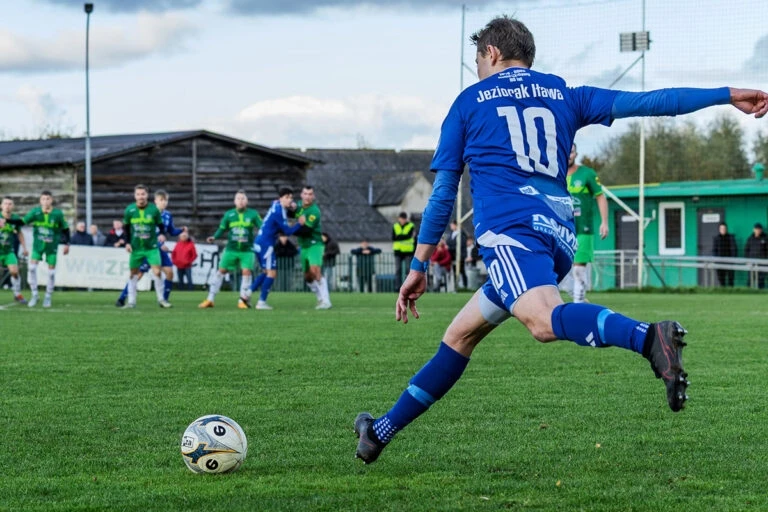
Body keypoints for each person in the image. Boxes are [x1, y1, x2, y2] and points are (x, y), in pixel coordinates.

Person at [353, 15, 768, 464]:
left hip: (511, 236)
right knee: (459, 337)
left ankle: (650, 338)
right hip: (557, 236)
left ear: (491, 52)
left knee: (542, 322)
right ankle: (378, 432)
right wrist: (728, 94)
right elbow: (655, 101)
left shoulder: (468, 103)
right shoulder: (565, 94)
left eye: (478, 61)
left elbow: (441, 198)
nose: (478, 69)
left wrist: (418, 267)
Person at [199, 190, 262, 309]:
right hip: (231, 249)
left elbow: (262, 227)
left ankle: (242, 300)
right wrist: (215, 237)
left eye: (243, 198)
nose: (241, 201)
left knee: (246, 272)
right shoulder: (229, 214)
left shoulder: (253, 214)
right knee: (221, 271)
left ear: (247, 201)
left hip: (247, 250)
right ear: (234, 201)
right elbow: (222, 228)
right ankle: (210, 299)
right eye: (238, 198)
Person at [12, 191, 71, 308]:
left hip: (51, 247)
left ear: (51, 200)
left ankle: (48, 296)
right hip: (37, 247)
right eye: (43, 199)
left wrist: (67, 244)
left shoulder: (58, 214)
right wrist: (7, 221)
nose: (45, 201)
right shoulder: (35, 212)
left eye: (48, 199)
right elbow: (22, 222)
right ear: (40, 201)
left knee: (51, 273)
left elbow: (66, 229)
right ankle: (34, 294)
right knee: (32, 268)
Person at [566, 142, 609, 302]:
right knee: (557, 270)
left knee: (578, 269)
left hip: (583, 229)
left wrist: (604, 222)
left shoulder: (587, 174)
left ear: (576, 154)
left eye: (572, 152)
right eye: (566, 151)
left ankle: (578, 305)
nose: (569, 155)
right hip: (562, 229)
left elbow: (600, 196)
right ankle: (580, 299)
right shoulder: (555, 175)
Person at [249, 187, 304, 310]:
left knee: (265, 272)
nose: (289, 200)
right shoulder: (279, 212)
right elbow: (287, 232)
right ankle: (261, 302)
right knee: (272, 273)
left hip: (260, 241)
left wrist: (292, 206)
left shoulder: (276, 205)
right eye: (287, 197)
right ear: (281, 198)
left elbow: (273, 202)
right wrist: (299, 224)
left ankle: (247, 293)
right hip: (266, 244)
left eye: (291, 197)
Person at [121, 184, 171, 309]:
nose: (141, 197)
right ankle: (131, 302)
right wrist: (127, 243)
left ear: (147, 195)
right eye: (138, 194)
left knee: (157, 272)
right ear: (135, 196)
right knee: (133, 274)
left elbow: (161, 226)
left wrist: (162, 234)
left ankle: (161, 300)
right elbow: (125, 228)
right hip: (136, 248)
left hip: (151, 248)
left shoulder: (154, 210)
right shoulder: (129, 210)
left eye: (143, 194)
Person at [294, 185, 332, 309]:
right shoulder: (298, 206)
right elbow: (289, 211)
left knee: (315, 270)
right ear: (301, 195)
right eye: (305, 194)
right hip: (303, 246)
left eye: (310, 194)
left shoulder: (315, 211)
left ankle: (326, 301)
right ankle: (320, 298)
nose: (307, 196)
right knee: (308, 277)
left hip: (315, 244)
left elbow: (305, 230)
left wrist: (287, 229)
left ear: (313, 196)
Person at [0, 197, 28, 303]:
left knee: (14, 271)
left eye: (10, 204)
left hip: (8, 251)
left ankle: (17, 294)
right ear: (1, 206)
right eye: (5, 203)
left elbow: (19, 233)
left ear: (13, 206)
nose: (7, 206)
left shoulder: (15, 219)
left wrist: (24, 248)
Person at [392, 212, 416, 292]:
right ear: (399, 219)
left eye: (404, 219)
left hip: (408, 251)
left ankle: (408, 287)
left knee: (408, 270)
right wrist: (405, 237)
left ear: (406, 219)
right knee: (397, 270)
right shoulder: (395, 226)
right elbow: (393, 238)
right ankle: (397, 287)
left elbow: (409, 236)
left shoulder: (411, 226)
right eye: (401, 219)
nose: (402, 220)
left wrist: (399, 236)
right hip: (398, 251)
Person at [712, 222, 737, 287]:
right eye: (721, 228)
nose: (723, 230)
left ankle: (731, 291)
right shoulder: (716, 238)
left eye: (724, 228)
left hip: (730, 262)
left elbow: (734, 249)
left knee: (731, 280)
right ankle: (723, 290)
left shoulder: (730, 238)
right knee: (721, 280)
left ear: (726, 229)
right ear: (719, 229)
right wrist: (716, 260)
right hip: (719, 263)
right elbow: (714, 250)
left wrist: (733, 260)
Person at [744, 222, 768, 288]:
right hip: (752, 263)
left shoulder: (765, 238)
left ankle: (760, 292)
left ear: (761, 230)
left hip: (762, 264)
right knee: (750, 280)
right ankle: (748, 292)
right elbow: (746, 250)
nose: (758, 231)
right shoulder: (750, 238)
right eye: (756, 229)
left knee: (761, 281)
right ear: (754, 230)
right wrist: (746, 261)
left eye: (759, 229)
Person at [446, 220, 469, 288]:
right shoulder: (451, 234)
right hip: (452, 256)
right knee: (454, 271)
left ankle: (464, 285)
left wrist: (449, 247)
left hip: (460, 255)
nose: (451, 226)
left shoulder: (461, 234)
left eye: (452, 225)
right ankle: (456, 286)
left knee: (461, 270)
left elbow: (460, 245)